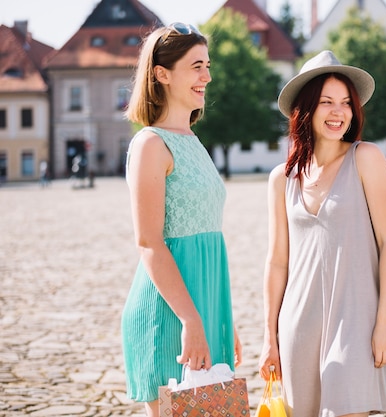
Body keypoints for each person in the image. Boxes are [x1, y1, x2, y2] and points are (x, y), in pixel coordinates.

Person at [258, 50, 386, 417]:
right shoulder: (282, 179)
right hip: (298, 326)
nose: (338, 112)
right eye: (326, 102)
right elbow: (277, 262)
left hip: (356, 321)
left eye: (345, 104)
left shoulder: (366, 158)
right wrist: (269, 337)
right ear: (305, 109)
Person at [121, 22, 242, 417]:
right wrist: (192, 319)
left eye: (207, 65)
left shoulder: (192, 140)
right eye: (196, 66)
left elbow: (207, 235)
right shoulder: (151, 144)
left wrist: (221, 318)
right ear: (162, 73)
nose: (207, 76)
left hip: (204, 309)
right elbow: (149, 243)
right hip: (169, 314)